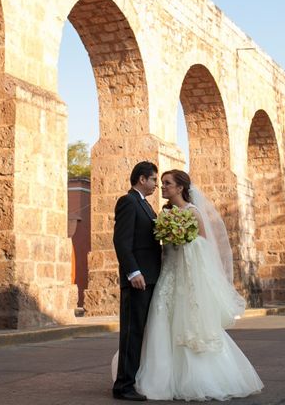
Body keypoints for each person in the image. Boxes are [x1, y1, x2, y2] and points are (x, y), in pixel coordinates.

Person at [133, 169, 264, 401]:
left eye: (167, 183)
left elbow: (203, 246)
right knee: (161, 318)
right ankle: (161, 377)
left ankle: (200, 378)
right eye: (161, 183)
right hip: (168, 274)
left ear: (180, 188)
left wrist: (182, 240)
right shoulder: (165, 213)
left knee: (189, 323)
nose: (163, 187)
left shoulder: (192, 213)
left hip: (186, 276)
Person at [112, 161, 161, 401]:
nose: (156, 184)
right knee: (132, 332)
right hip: (138, 279)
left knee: (142, 332)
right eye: (153, 180)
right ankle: (123, 386)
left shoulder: (147, 206)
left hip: (151, 276)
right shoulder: (128, 202)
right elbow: (122, 241)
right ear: (142, 179)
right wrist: (133, 272)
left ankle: (136, 379)